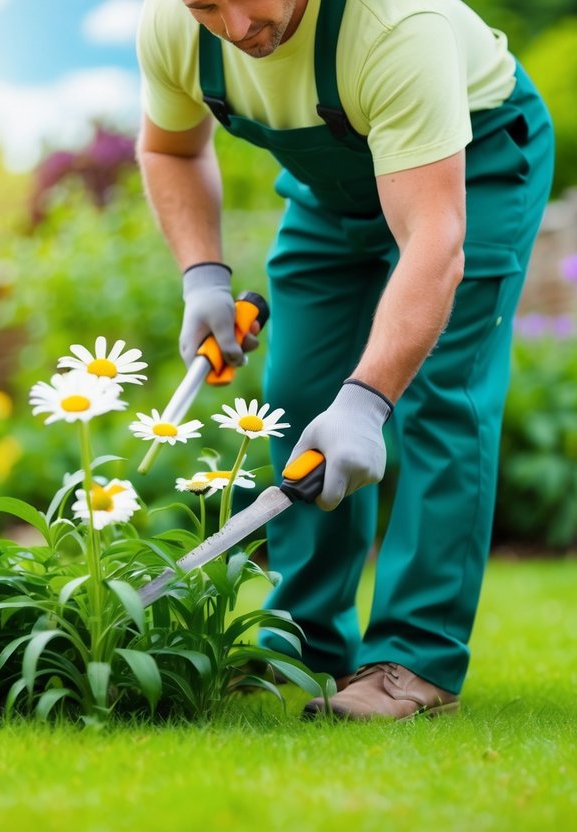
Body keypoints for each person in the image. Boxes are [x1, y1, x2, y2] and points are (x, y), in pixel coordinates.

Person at [136, 0, 554, 720]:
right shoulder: (174, 28)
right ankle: (305, 642)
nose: (236, 28)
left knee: (436, 395)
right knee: (295, 394)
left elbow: (432, 240)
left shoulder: (395, 26)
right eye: (208, 5)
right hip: (331, 193)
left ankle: (413, 659)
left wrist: (366, 402)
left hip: (470, 167)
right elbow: (169, 148)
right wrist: (202, 275)